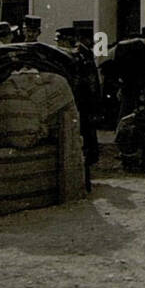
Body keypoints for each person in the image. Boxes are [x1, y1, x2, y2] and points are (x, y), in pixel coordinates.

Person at [56, 26, 101, 190]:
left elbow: (90, 82)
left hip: (81, 102)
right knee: (83, 138)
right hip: (82, 103)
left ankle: (84, 178)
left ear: (67, 40)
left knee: (82, 138)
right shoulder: (80, 52)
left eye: (60, 40)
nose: (59, 43)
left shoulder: (78, 55)